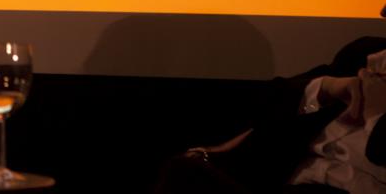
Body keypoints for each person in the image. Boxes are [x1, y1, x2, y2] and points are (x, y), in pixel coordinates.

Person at [158, 36, 386, 194]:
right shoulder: (364, 55)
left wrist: (377, 116)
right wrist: (325, 88)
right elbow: (263, 99)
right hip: (266, 175)